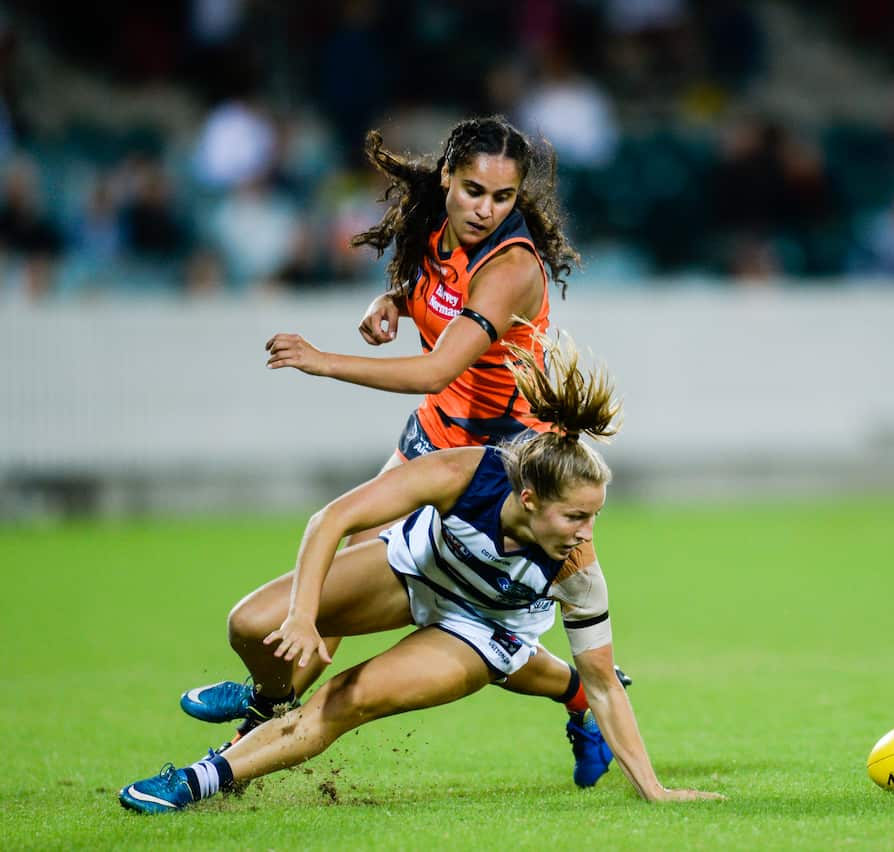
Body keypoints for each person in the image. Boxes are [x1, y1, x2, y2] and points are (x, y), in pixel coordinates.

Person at [181, 116, 621, 788]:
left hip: (499, 470)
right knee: (374, 600)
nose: (486, 209)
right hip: (429, 445)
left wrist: (323, 361)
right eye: (474, 190)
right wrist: (392, 301)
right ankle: (270, 708)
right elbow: (439, 304)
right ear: (446, 176)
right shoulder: (435, 232)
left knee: (472, 620)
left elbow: (434, 372)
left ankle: (264, 713)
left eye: (502, 198)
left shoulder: (511, 265)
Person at [118, 332, 724, 812]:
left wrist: (655, 788)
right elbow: (331, 520)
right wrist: (302, 618)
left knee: (343, 700)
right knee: (251, 623)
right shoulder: (468, 472)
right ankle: (264, 699)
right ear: (531, 497)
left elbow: (606, 684)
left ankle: (195, 782)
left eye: (595, 516)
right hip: (415, 571)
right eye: (577, 515)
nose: (588, 532)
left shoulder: (577, 571)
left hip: (482, 627)